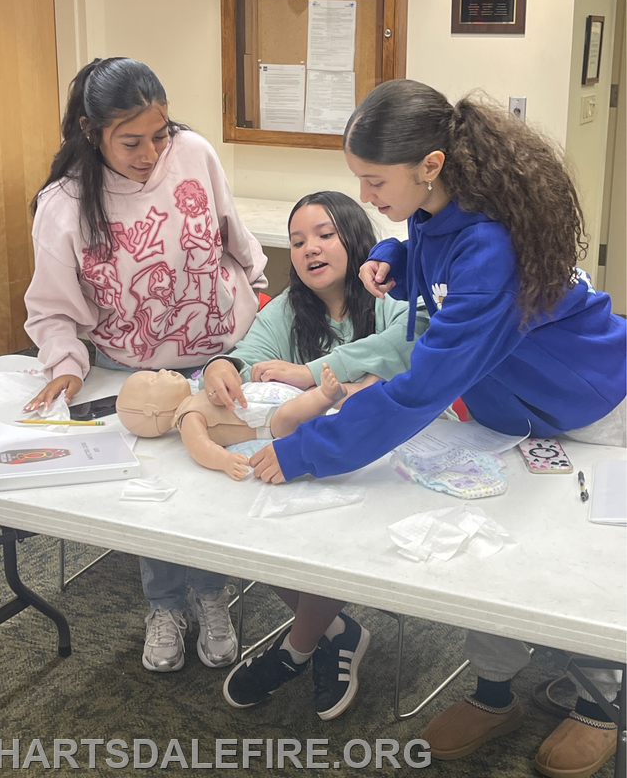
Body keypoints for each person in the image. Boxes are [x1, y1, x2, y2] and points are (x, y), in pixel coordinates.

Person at [248, 80, 626, 776]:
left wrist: (309, 451)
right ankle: (493, 694)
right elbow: (433, 247)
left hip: (599, 409)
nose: (365, 196)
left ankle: (601, 706)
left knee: (593, 564)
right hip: (513, 414)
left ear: (430, 164)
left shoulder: (493, 249)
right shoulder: (442, 208)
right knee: (497, 550)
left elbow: (421, 387)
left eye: (373, 180)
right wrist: (397, 257)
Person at [22, 57, 268, 675]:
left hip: (217, 352)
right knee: (156, 494)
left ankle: (211, 595)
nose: (152, 153)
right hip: (138, 371)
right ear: (90, 130)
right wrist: (66, 364)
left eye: (160, 134)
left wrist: (261, 319)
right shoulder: (64, 205)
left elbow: (236, 242)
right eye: (132, 141)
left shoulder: (194, 153)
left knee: (212, 480)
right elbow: (53, 310)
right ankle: (165, 604)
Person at [202, 190, 428, 720]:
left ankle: (296, 648)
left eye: (325, 235)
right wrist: (222, 365)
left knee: (325, 539)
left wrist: (324, 374)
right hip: (309, 458)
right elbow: (249, 361)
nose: (309, 249)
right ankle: (335, 631)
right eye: (298, 240)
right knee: (248, 522)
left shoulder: (391, 296)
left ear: (354, 239)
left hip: (385, 460)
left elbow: (412, 347)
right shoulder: (285, 309)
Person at [116, 364, 349, 478]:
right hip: (265, 424)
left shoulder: (196, 392)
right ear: (151, 410)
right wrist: (225, 460)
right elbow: (201, 447)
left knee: (297, 406)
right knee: (289, 416)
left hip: (265, 400)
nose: (164, 370)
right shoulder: (188, 418)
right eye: (155, 380)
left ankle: (324, 400)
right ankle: (326, 396)